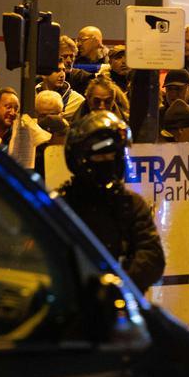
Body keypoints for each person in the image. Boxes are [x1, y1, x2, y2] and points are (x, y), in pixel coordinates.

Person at [59, 111, 164, 292]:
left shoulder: (130, 204)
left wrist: (118, 285)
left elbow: (151, 258)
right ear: (81, 160)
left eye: (112, 157)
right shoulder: (62, 206)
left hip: (120, 304)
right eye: (100, 157)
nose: (107, 162)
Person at [69, 26, 107, 93]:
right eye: (78, 40)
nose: (79, 44)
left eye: (82, 40)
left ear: (96, 40)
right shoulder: (73, 59)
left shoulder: (110, 60)